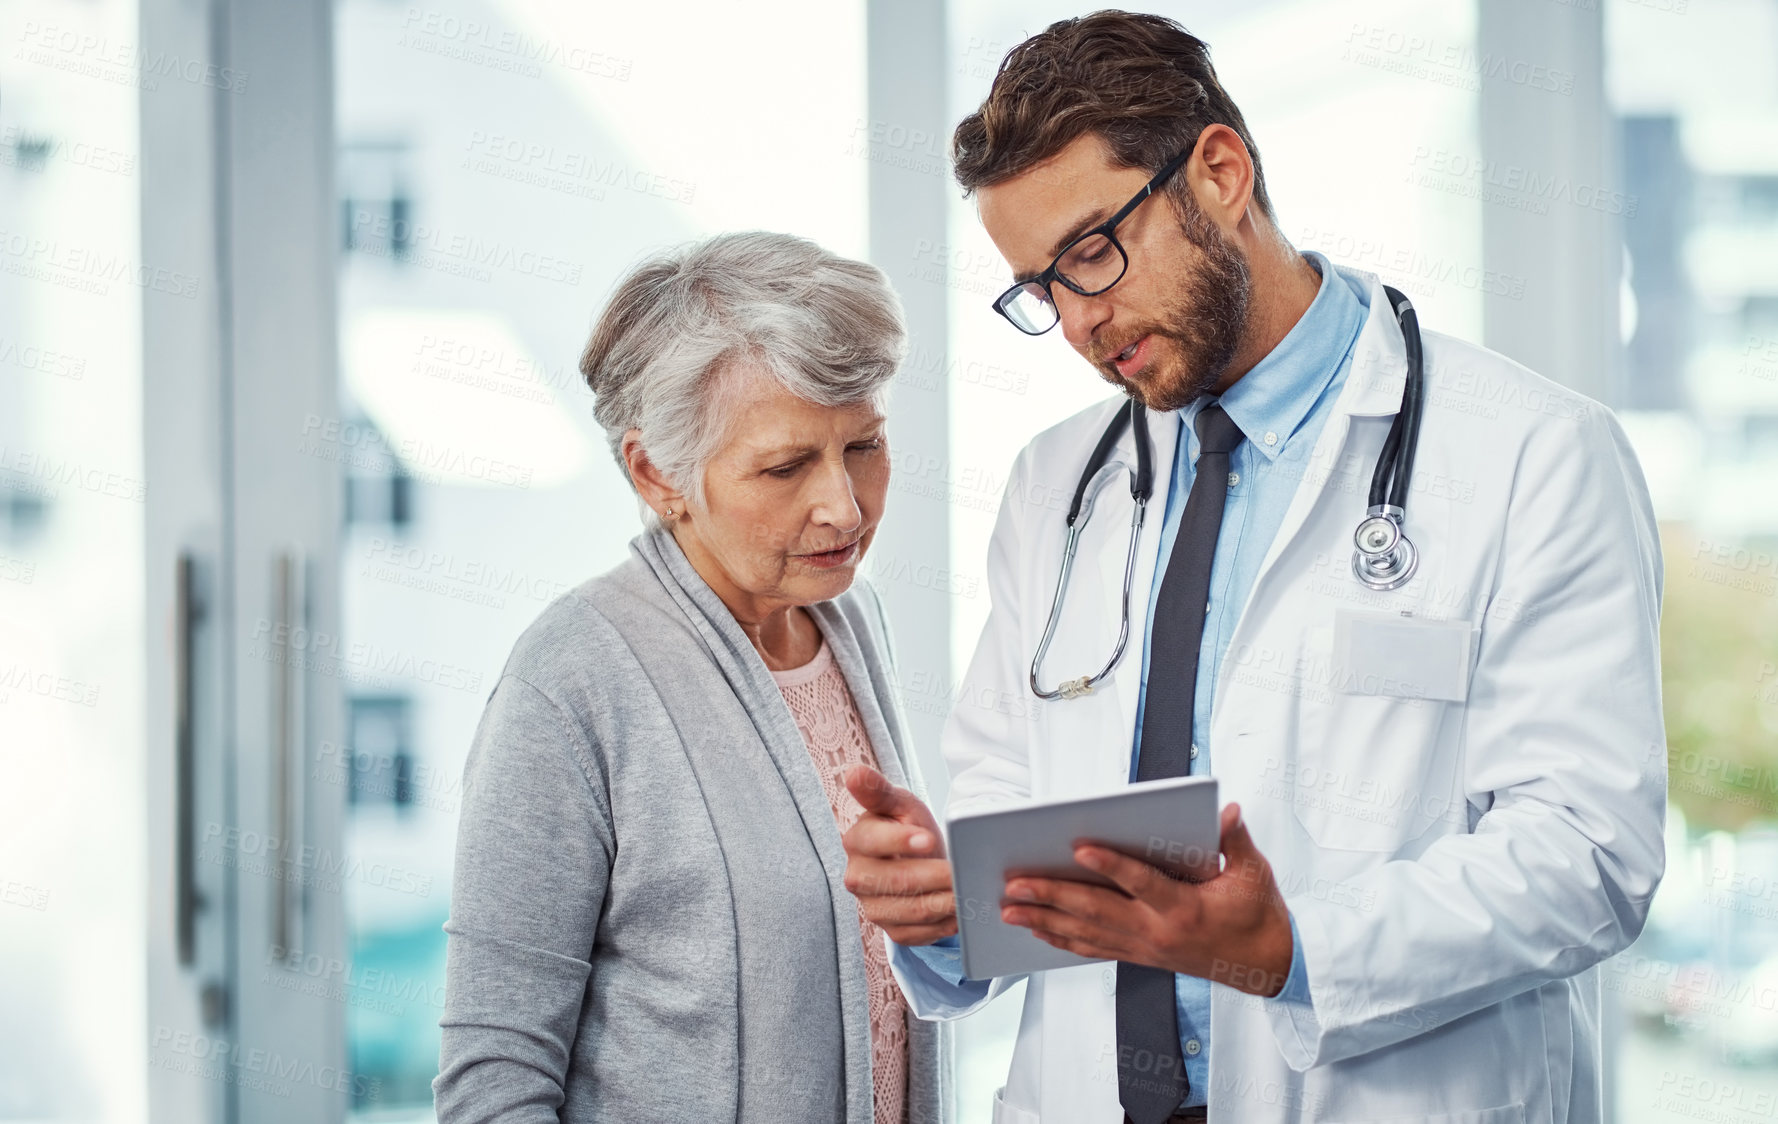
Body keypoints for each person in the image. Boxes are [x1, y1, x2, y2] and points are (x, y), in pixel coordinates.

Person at [840, 12, 1665, 1124]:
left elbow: (1587, 854)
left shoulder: (1529, 455)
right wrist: (946, 904)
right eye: (1042, 288)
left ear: (1219, 172)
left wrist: (1293, 947)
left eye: (1092, 252)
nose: (1081, 322)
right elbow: (1010, 805)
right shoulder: (1055, 488)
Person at [434, 231, 952, 1124]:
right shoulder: (572, 679)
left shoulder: (850, 619)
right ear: (656, 472)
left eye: (863, 445)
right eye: (787, 466)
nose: (845, 505)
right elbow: (494, 1077)